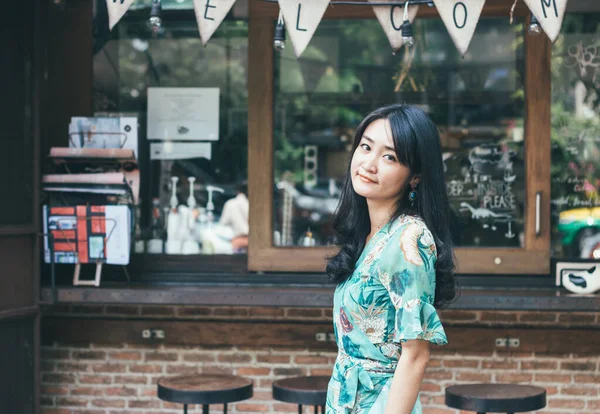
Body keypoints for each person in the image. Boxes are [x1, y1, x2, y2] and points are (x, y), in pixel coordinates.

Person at [325, 104, 457, 414]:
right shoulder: (372, 236)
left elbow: (415, 355)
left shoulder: (408, 239)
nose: (369, 164)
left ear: (415, 176)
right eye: (366, 147)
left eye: (389, 157)